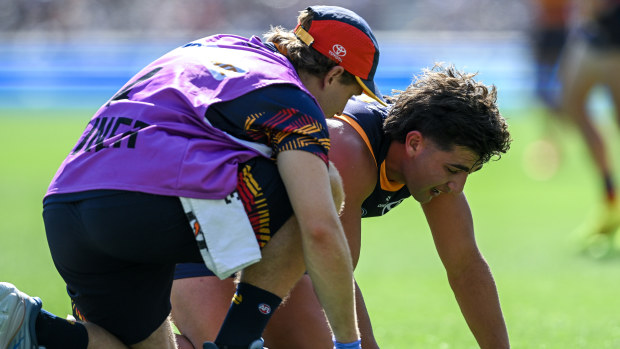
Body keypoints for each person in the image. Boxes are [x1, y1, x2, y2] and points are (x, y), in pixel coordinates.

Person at [0, 6, 386, 349]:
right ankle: (240, 338)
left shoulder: (216, 45)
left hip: (66, 205)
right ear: (334, 73)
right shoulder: (295, 101)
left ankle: (27, 323)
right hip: (140, 205)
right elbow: (318, 228)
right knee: (324, 186)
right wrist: (349, 343)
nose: (342, 112)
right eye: (353, 93)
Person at [171, 64, 513, 349]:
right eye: (454, 170)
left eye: (466, 172)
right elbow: (334, 268)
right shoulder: (347, 149)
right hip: (199, 236)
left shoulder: (432, 170)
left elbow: (465, 266)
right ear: (414, 143)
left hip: (265, 255)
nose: (457, 185)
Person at [557, 0, 620, 248]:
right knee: (571, 103)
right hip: (593, 35)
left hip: (612, 37)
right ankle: (610, 197)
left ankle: (610, 202)